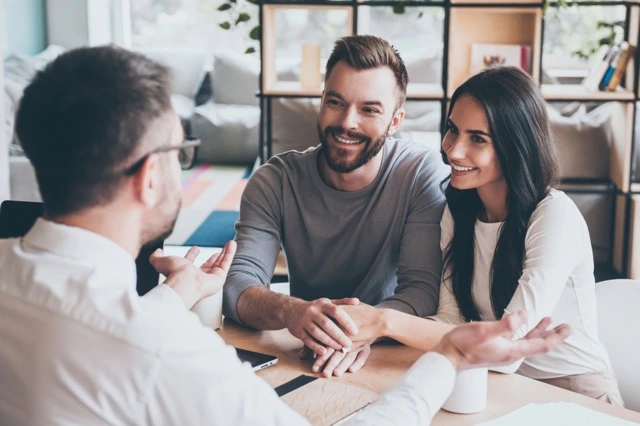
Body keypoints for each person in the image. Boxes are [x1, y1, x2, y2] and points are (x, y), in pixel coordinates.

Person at [0, 46, 572, 426]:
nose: (347, 121)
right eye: (182, 153)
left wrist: (178, 295)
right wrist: (447, 354)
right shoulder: (161, 351)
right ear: (151, 175)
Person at [334, 66, 624, 406]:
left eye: (477, 139)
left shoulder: (553, 215)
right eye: (452, 130)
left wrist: (384, 322)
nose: (453, 151)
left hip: (575, 391)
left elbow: (509, 350)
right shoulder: (458, 211)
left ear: (516, 146)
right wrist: (372, 335)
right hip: (498, 383)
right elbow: (451, 320)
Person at [223, 35, 448, 377]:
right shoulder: (274, 181)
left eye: (369, 109)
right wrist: (291, 311)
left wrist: (360, 329)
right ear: (322, 102)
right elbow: (238, 284)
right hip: (304, 351)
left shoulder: (419, 173)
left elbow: (421, 290)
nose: (347, 123)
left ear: (396, 121)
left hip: (383, 352)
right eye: (336, 102)